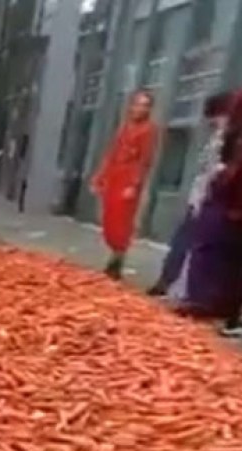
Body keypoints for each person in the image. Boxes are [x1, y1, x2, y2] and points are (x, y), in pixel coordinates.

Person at [148, 91, 233, 298]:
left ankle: (178, 286)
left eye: (216, 119)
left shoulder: (228, 141)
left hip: (212, 201)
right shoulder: (220, 139)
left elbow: (216, 172)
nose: (214, 123)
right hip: (203, 199)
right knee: (186, 242)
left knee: (195, 246)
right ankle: (170, 282)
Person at [174, 91, 242, 336]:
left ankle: (214, 307)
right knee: (212, 252)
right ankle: (212, 306)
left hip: (228, 203)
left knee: (216, 254)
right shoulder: (228, 136)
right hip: (222, 200)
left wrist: (222, 183)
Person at [91, 90, 159, 280]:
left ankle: (116, 262)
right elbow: (111, 154)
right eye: (138, 103)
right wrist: (100, 177)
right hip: (115, 176)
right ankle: (115, 257)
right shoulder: (125, 127)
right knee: (109, 219)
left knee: (121, 223)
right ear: (131, 105)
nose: (140, 108)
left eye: (145, 105)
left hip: (128, 180)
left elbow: (145, 160)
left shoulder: (150, 130)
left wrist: (134, 185)